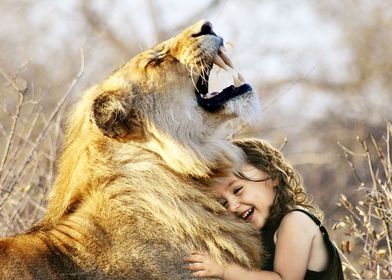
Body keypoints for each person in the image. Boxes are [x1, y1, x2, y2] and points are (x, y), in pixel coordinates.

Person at [183, 138, 344, 280]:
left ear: (272, 175)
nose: (233, 206)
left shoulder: (296, 221)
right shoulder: (262, 234)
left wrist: (224, 271)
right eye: (224, 203)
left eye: (238, 190)